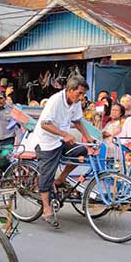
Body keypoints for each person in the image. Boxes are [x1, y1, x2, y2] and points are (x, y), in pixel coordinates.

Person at [30, 76, 92, 228]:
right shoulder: (55, 100)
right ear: (70, 90)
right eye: (80, 93)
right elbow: (45, 124)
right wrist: (64, 134)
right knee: (47, 172)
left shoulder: (75, 102)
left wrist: (88, 137)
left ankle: (60, 179)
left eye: (83, 94)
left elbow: (77, 121)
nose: (82, 97)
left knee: (82, 152)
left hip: (61, 140)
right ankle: (46, 209)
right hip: (46, 141)